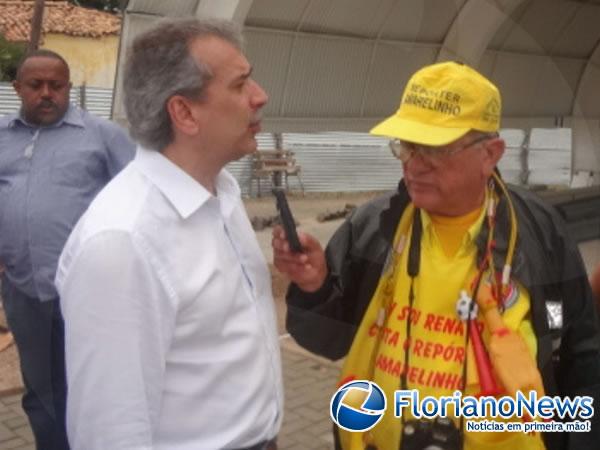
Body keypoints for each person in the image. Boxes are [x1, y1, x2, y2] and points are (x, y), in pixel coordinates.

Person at [273, 61, 600, 450]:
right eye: (407, 146)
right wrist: (314, 287)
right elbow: (329, 342)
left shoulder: (537, 233)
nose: (414, 164)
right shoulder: (375, 227)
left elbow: (582, 351)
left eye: (435, 149)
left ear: (490, 154)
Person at [55, 18, 283, 450]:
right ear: (183, 112)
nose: (260, 96)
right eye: (240, 85)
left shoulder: (223, 192)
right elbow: (110, 432)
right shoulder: (122, 241)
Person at [0, 49, 135, 449]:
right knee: (40, 390)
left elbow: (141, 200)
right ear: (17, 88)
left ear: (68, 88)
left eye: (56, 85)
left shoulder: (102, 135)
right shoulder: (2, 138)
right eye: (36, 85)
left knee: (92, 384)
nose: (46, 93)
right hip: (24, 289)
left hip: (90, 292)